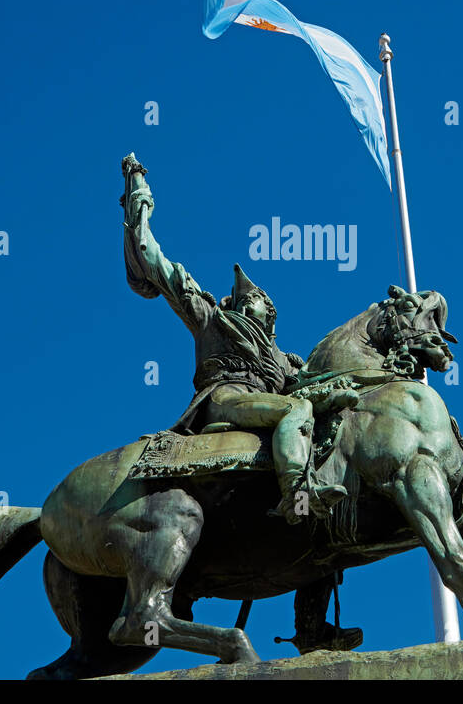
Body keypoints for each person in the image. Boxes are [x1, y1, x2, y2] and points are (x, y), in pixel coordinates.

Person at [121, 154, 348, 524]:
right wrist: (138, 201)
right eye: (239, 298)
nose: (242, 300)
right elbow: (157, 263)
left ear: (268, 314)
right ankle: (296, 493)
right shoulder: (211, 318)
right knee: (296, 410)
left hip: (263, 402)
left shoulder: (284, 360)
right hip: (226, 397)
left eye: (252, 299)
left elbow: (314, 382)